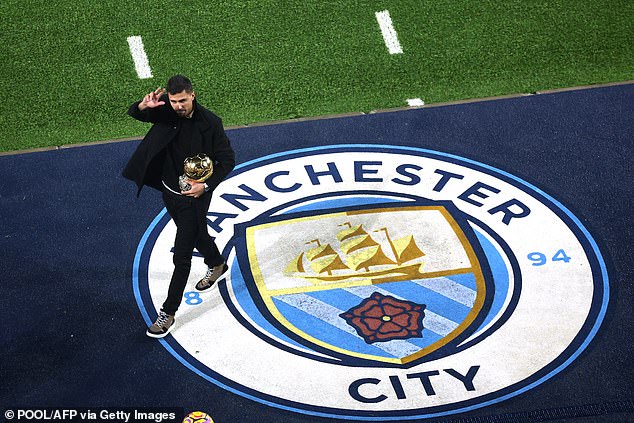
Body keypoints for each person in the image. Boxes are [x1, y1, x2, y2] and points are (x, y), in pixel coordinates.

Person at [123, 75, 235, 338]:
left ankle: (168, 313)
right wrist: (142, 107)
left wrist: (204, 187)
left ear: (193, 95)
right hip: (168, 190)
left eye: (182, 100)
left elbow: (227, 159)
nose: (178, 106)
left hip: (194, 198)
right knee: (197, 234)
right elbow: (136, 115)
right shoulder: (165, 108)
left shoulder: (210, 124)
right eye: (173, 101)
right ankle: (217, 263)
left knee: (181, 255)